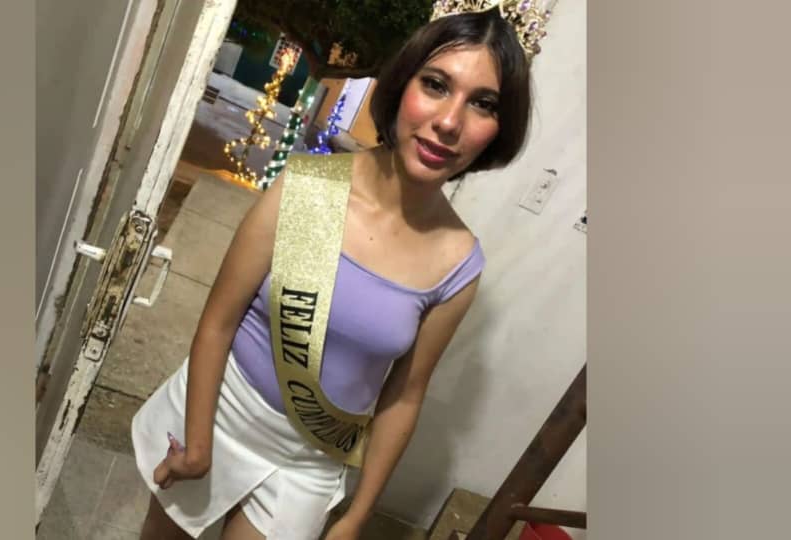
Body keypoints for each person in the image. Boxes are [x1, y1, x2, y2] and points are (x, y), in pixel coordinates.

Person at [132, 1, 551, 538]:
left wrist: (356, 515)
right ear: (403, 84)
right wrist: (196, 443)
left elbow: (405, 396)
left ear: (499, 128)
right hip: (218, 410)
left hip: (309, 461)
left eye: (483, 104)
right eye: (436, 85)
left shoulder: (457, 262)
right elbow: (219, 321)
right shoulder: (311, 189)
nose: (449, 122)